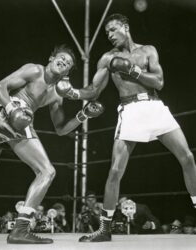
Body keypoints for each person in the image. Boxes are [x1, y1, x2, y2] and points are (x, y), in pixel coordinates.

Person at [56, 13, 196, 242]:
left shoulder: (148, 50)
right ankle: (105, 229)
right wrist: (72, 93)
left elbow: (159, 82)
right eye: (107, 33)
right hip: (130, 110)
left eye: (113, 29)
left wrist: (133, 70)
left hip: (154, 105)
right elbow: (93, 90)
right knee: (115, 171)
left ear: (125, 27)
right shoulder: (107, 59)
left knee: (188, 157)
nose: (110, 35)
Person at [0, 45, 104, 244]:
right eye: (61, 58)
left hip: (1, 123)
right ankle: (20, 229)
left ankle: (20, 229)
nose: (64, 62)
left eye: (68, 63)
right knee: (47, 172)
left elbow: (61, 129)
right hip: (9, 116)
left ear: (67, 73)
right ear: (51, 58)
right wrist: (13, 109)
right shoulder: (35, 70)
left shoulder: (57, 95)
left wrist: (84, 115)